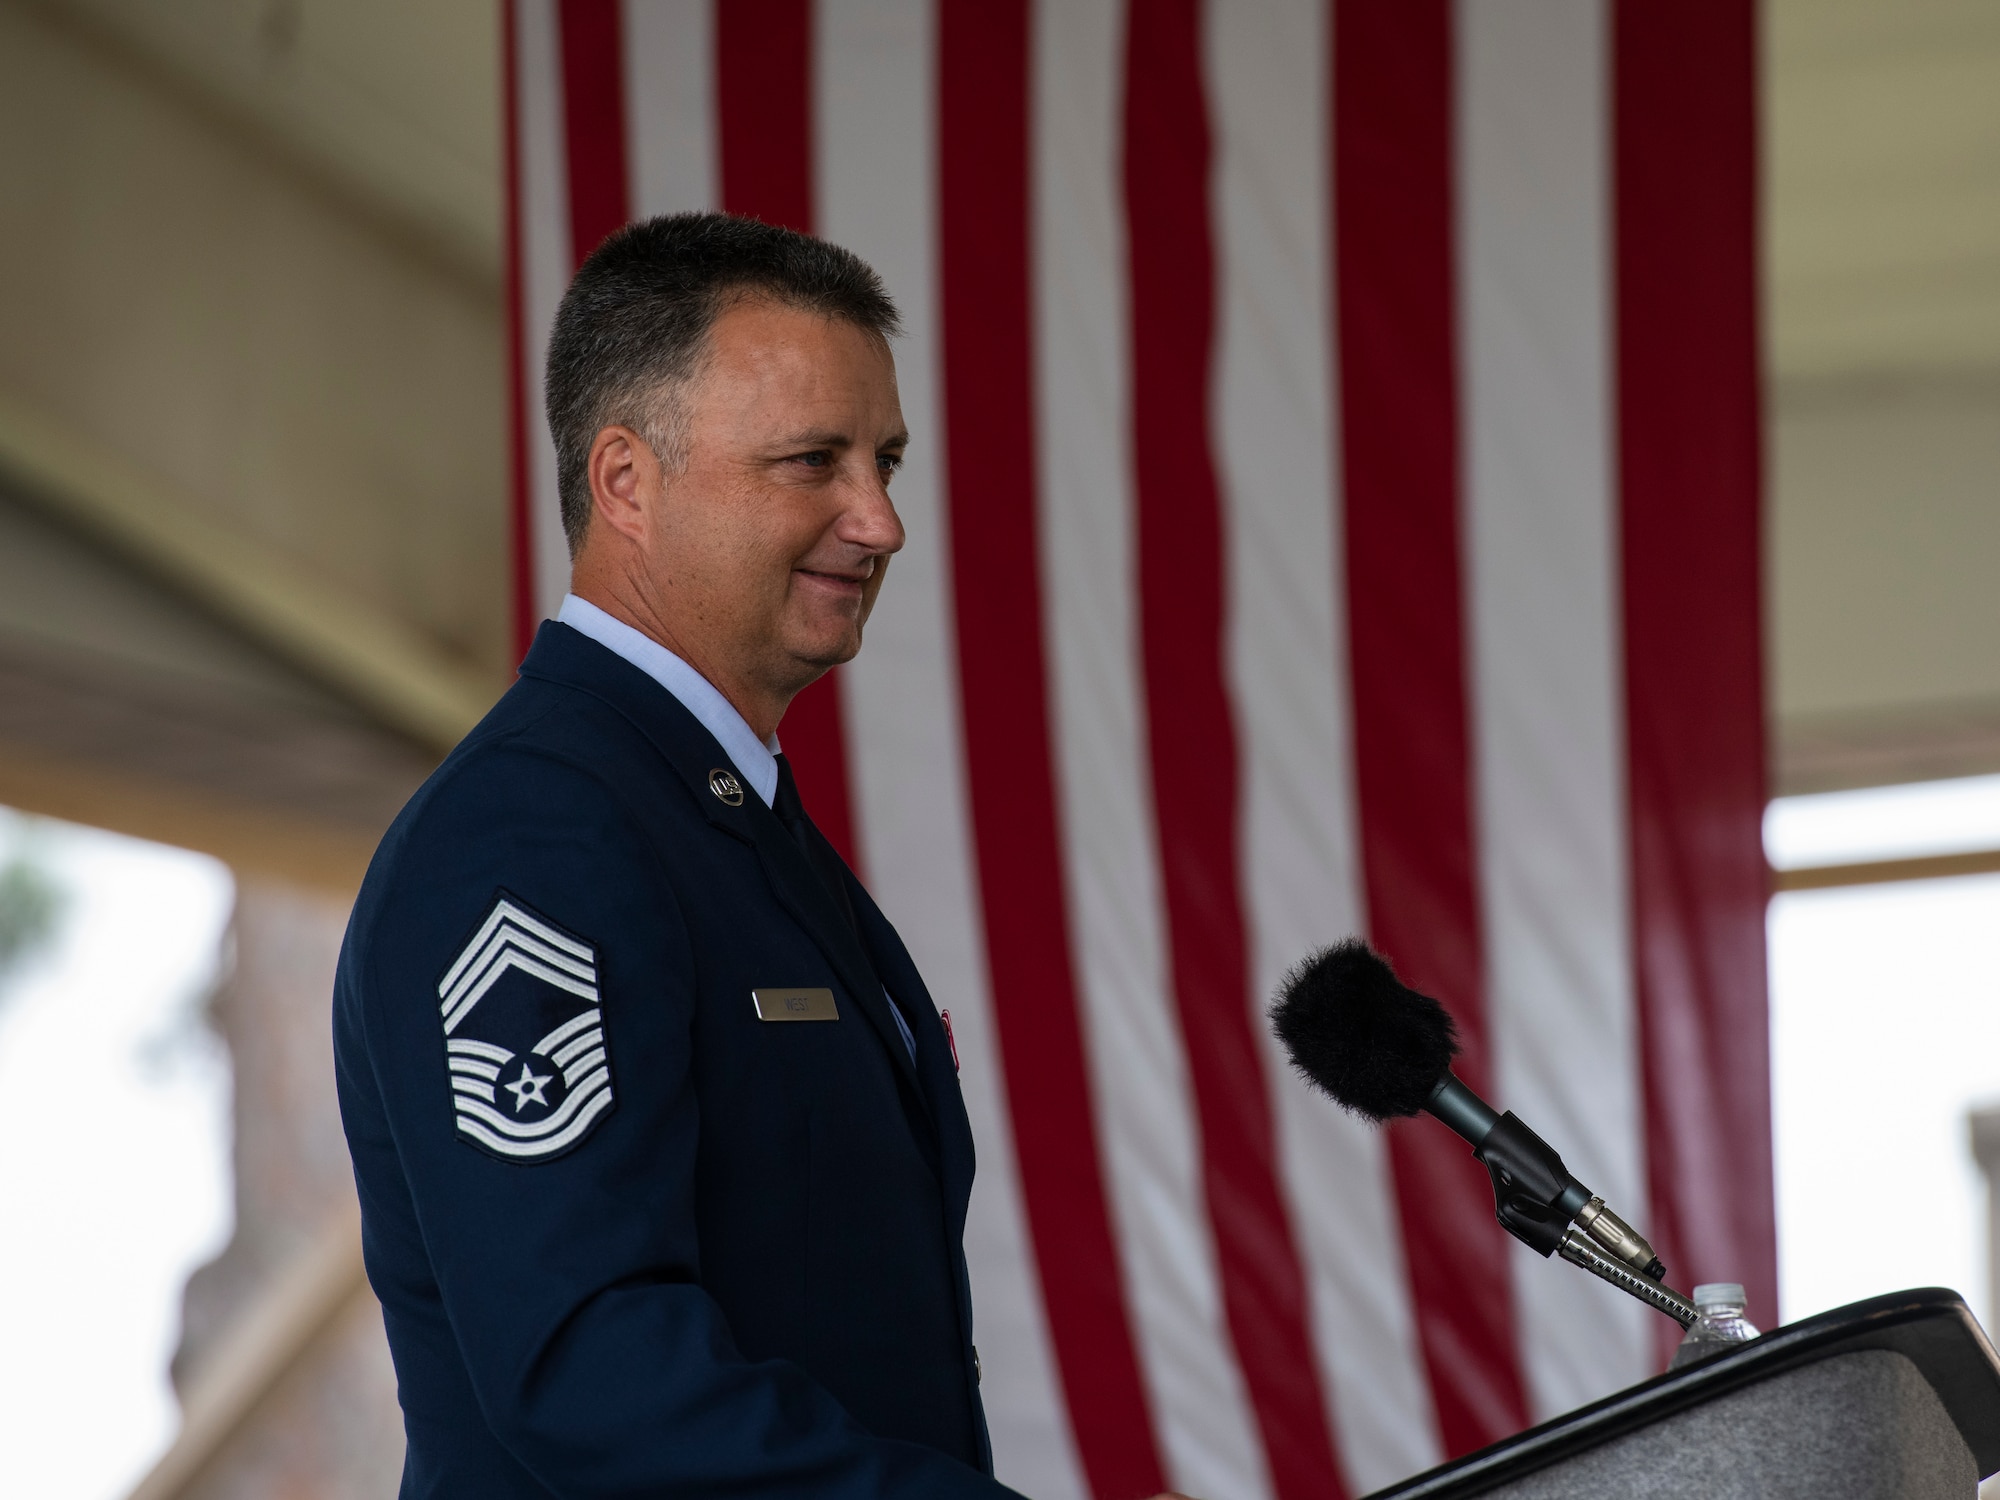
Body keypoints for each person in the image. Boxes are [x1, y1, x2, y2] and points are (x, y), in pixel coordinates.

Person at [335, 211, 1195, 1499]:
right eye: (812, 462)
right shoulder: (534, 835)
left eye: (886, 461)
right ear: (625, 482)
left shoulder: (714, 814)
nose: (882, 521)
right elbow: (590, 1370)